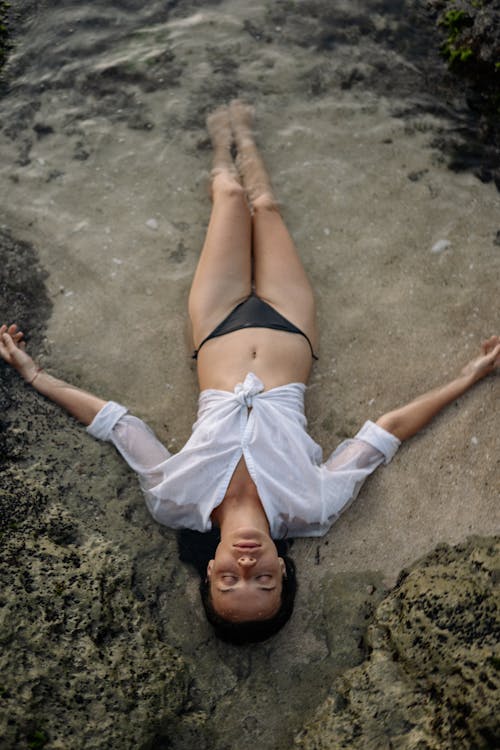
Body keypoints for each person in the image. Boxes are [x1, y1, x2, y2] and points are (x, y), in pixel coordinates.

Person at [1, 101, 499, 645]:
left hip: (215, 328)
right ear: (284, 574)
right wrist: (471, 374)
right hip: (291, 328)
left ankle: (222, 137)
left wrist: (35, 377)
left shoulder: (174, 502)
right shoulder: (312, 508)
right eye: (261, 580)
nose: (246, 565)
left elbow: (119, 425)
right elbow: (386, 433)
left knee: (231, 197)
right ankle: (247, 132)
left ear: (208, 571)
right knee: (265, 203)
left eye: (228, 579)